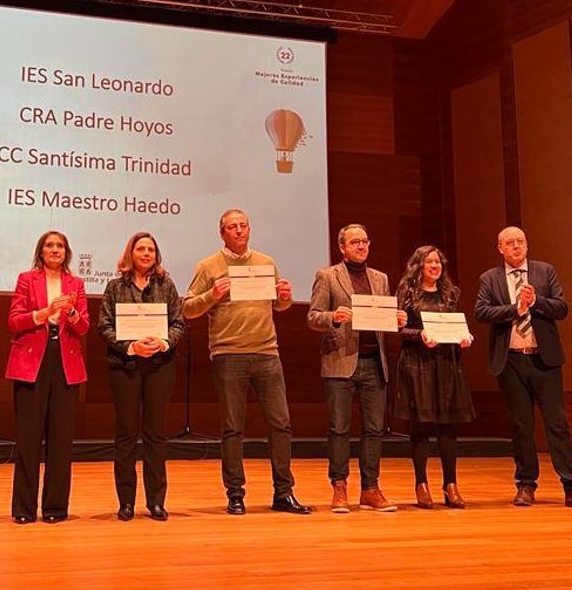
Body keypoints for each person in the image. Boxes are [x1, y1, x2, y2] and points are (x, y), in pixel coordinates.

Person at [184, 208, 312, 515]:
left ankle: (283, 492)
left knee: (281, 424)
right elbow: (188, 309)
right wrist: (212, 295)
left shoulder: (266, 263)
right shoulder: (208, 265)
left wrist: (284, 296)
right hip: (228, 355)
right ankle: (235, 494)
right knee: (232, 428)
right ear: (222, 233)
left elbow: (279, 305)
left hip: (267, 353)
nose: (239, 231)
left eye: (243, 226)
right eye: (232, 227)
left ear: (249, 230)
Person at [473, 227, 572, 510]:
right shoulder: (489, 278)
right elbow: (481, 312)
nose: (516, 246)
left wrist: (536, 302)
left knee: (557, 423)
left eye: (520, 242)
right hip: (511, 360)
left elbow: (562, 308)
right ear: (500, 248)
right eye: (510, 243)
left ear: (527, 245)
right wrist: (514, 309)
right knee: (521, 426)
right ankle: (526, 485)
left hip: (545, 359)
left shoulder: (545, 271)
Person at [307, 224, 404, 513]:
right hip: (340, 362)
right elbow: (313, 317)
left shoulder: (381, 279)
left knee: (374, 429)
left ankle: (370, 489)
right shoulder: (327, 276)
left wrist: (396, 320)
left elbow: (383, 320)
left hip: (375, 363)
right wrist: (333, 317)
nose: (361, 246)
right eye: (354, 242)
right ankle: (339, 487)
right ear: (342, 247)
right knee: (339, 429)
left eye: (364, 241)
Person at [98, 232, 188, 521]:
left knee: (155, 434)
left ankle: (156, 501)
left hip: (160, 365)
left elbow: (178, 324)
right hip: (125, 366)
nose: (146, 253)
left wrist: (163, 343)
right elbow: (104, 326)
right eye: (141, 249)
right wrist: (130, 347)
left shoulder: (167, 285)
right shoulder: (114, 286)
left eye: (151, 249)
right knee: (126, 434)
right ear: (131, 253)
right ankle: (125, 501)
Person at [6, 230, 90, 524]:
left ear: (66, 252)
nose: (55, 250)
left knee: (61, 438)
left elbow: (83, 327)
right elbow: (14, 320)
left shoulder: (75, 283)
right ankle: (24, 509)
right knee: (28, 438)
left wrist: (72, 314)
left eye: (60, 246)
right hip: (32, 359)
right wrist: (44, 313)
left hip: (64, 360)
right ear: (41, 251)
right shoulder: (27, 279)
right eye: (49, 245)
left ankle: (55, 508)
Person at [394, 245, 474, 509]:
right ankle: (421, 484)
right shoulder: (406, 293)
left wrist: (465, 336)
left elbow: (458, 325)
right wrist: (420, 336)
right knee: (422, 426)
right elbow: (399, 329)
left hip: (446, 364)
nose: (435, 266)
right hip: (418, 364)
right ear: (418, 265)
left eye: (438, 262)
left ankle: (450, 485)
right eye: (429, 262)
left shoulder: (451, 293)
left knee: (448, 426)